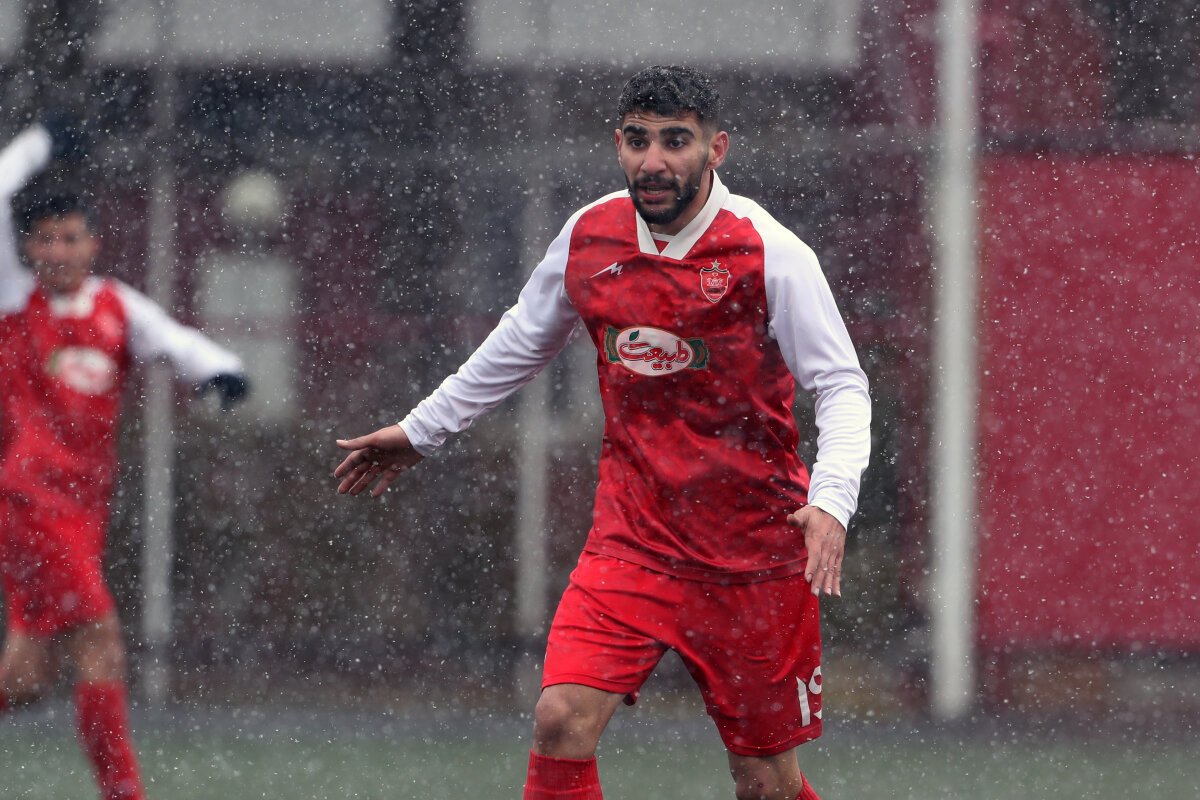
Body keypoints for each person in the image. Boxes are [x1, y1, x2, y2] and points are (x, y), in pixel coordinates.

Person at [334, 65, 870, 800]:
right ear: (617, 144)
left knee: (765, 781)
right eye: (638, 140)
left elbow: (841, 385)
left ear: (716, 149)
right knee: (560, 719)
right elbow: (521, 341)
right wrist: (421, 431)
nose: (654, 161)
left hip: (751, 553)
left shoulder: (771, 254)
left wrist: (832, 501)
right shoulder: (590, 235)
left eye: (676, 141)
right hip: (635, 540)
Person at [0, 121, 249, 800]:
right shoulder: (14, 300)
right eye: (44, 239)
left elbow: (174, 340)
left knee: (25, 678)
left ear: (93, 244)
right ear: (26, 247)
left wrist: (222, 371)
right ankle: (124, 794)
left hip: (83, 508)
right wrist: (38, 143)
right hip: (31, 500)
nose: (56, 251)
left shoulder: (115, 305)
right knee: (100, 640)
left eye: (69, 238)